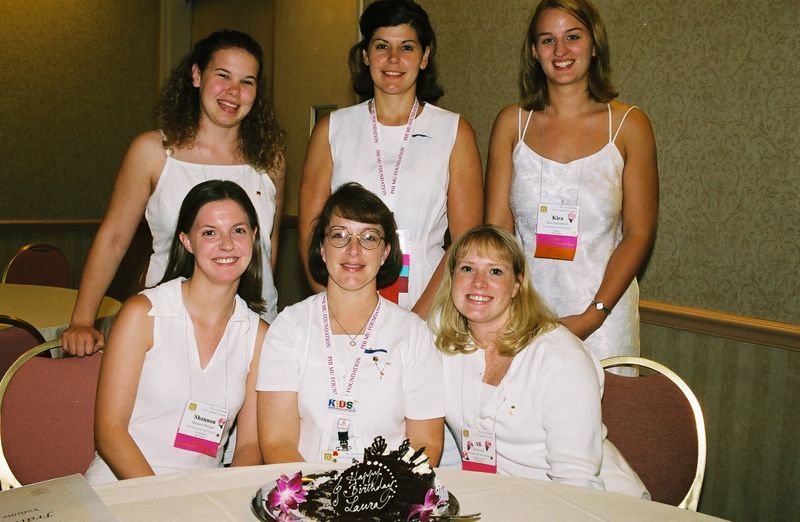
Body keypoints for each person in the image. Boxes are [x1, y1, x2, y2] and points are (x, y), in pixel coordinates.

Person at [63, 30, 284, 357]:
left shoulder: (270, 158)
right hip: (168, 327)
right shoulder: (152, 151)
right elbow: (114, 238)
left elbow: (268, 243)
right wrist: (82, 318)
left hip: (250, 328)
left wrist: (262, 308)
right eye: (222, 76)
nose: (233, 92)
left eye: (247, 81)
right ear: (197, 76)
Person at [484, 0, 658, 364]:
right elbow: (498, 232)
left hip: (604, 319)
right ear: (534, 51)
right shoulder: (511, 124)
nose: (560, 51)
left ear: (594, 45)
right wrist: (506, 312)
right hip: (523, 318)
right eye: (547, 40)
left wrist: (593, 315)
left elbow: (639, 234)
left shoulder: (630, 126)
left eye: (572, 37)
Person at [429, 225, 649, 498]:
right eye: (467, 268)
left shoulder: (560, 358)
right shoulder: (445, 341)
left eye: (495, 271)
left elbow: (577, 482)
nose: (478, 282)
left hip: (594, 505)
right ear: (452, 279)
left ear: (517, 285)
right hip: (504, 502)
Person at [298, 0, 483, 320]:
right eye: (382, 46)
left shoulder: (454, 131)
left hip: (432, 308)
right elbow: (310, 235)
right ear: (366, 55)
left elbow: (465, 242)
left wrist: (417, 320)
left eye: (407, 47)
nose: (393, 59)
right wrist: (340, 309)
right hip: (345, 309)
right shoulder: (332, 129)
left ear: (425, 56)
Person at [85, 180, 267, 484]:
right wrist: (164, 504)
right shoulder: (143, 314)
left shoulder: (257, 335)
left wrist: (223, 500)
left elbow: (249, 446)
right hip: (123, 485)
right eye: (210, 232)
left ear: (254, 237)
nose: (226, 244)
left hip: (202, 495)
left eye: (238, 230)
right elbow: (109, 431)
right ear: (187, 241)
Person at [257, 183, 444, 466]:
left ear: (385, 253)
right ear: (321, 248)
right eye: (339, 235)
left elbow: (426, 443)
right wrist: (314, 494)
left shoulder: (412, 333)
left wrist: (380, 494)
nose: (353, 250)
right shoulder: (289, 327)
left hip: (386, 499)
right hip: (307, 494)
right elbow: (277, 441)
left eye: (369, 237)